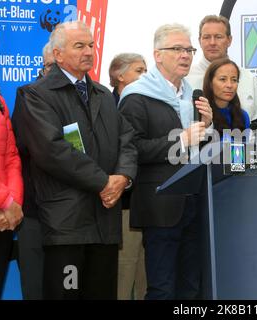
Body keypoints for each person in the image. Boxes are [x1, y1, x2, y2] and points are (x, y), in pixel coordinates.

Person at [16, 21, 137, 300]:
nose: (88, 51)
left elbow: (126, 140)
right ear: (58, 55)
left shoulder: (104, 95)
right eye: (79, 46)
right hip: (66, 223)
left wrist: (123, 178)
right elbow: (51, 150)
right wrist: (103, 182)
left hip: (105, 221)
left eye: (91, 45)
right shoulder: (35, 94)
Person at [119, 23, 213, 300]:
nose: (186, 55)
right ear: (158, 55)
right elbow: (131, 148)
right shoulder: (137, 96)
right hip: (160, 204)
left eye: (189, 49)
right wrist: (182, 140)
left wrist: (207, 125)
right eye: (178, 49)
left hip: (194, 202)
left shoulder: (193, 95)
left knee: (191, 286)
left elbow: (200, 149)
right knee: (162, 288)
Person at [12, 41, 55, 300]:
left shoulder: (90, 95)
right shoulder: (27, 94)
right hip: (34, 208)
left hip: (72, 213)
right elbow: (21, 147)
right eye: (51, 66)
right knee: (35, 285)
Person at [108, 53, 147, 300]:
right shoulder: (106, 105)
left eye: (146, 70)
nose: (145, 76)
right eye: (139, 71)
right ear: (120, 76)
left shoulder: (148, 103)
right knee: (124, 271)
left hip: (148, 202)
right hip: (122, 204)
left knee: (145, 273)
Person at [187, 15, 257, 119]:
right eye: (206, 37)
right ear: (199, 41)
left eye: (218, 37)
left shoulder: (248, 79)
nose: (212, 43)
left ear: (229, 40)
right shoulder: (186, 78)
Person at [0, 36, 24, 299]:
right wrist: (5, 200)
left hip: (3, 219)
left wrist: (13, 203)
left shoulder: (0, 101)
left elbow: (12, 157)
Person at [202, 58, 249, 141]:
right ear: (210, 83)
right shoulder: (201, 114)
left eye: (234, 80)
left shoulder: (243, 116)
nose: (229, 85)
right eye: (223, 79)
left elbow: (245, 150)